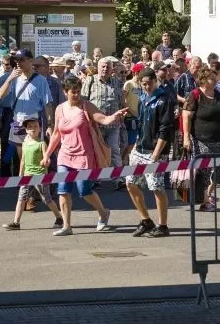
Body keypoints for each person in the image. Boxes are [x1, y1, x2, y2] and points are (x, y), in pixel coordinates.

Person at [43, 77, 126, 236]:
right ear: (65, 92)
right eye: (73, 92)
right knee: (63, 190)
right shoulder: (59, 109)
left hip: (84, 155)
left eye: (78, 91)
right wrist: (47, 155)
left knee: (84, 190)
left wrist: (114, 117)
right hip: (65, 155)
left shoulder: (86, 106)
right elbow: (56, 134)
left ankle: (103, 213)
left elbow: (103, 119)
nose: (76, 95)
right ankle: (67, 226)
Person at [126, 68, 175, 237]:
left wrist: (156, 153)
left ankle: (163, 225)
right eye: (143, 84)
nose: (146, 87)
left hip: (155, 151)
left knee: (156, 187)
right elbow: (141, 124)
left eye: (149, 83)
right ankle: (145, 220)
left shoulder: (164, 100)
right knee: (130, 182)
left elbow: (165, 129)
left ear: (155, 81)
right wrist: (135, 146)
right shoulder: (142, 99)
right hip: (140, 148)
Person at [182, 65, 220, 211]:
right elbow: (186, 116)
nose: (215, 80)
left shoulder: (217, 93)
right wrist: (186, 137)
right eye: (211, 78)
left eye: (215, 77)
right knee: (203, 171)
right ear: (203, 80)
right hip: (202, 139)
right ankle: (204, 202)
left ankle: (208, 194)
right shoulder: (195, 94)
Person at [3, 117, 63, 230]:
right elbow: (23, 160)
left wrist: (46, 162)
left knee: (47, 199)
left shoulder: (41, 144)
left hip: (40, 176)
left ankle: (59, 217)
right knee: (21, 198)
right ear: (26, 130)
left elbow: (47, 157)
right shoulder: (25, 143)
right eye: (30, 127)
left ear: (40, 129)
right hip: (27, 175)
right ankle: (16, 222)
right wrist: (21, 174)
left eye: (35, 126)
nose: (33, 129)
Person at [82, 56, 125, 187]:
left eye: (108, 67)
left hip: (113, 124)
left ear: (112, 69)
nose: (105, 69)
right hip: (95, 124)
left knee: (114, 151)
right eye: (103, 66)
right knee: (95, 151)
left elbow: (120, 101)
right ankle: (95, 179)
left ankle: (118, 179)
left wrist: (121, 117)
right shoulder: (90, 80)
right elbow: (83, 101)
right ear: (98, 67)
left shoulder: (116, 82)